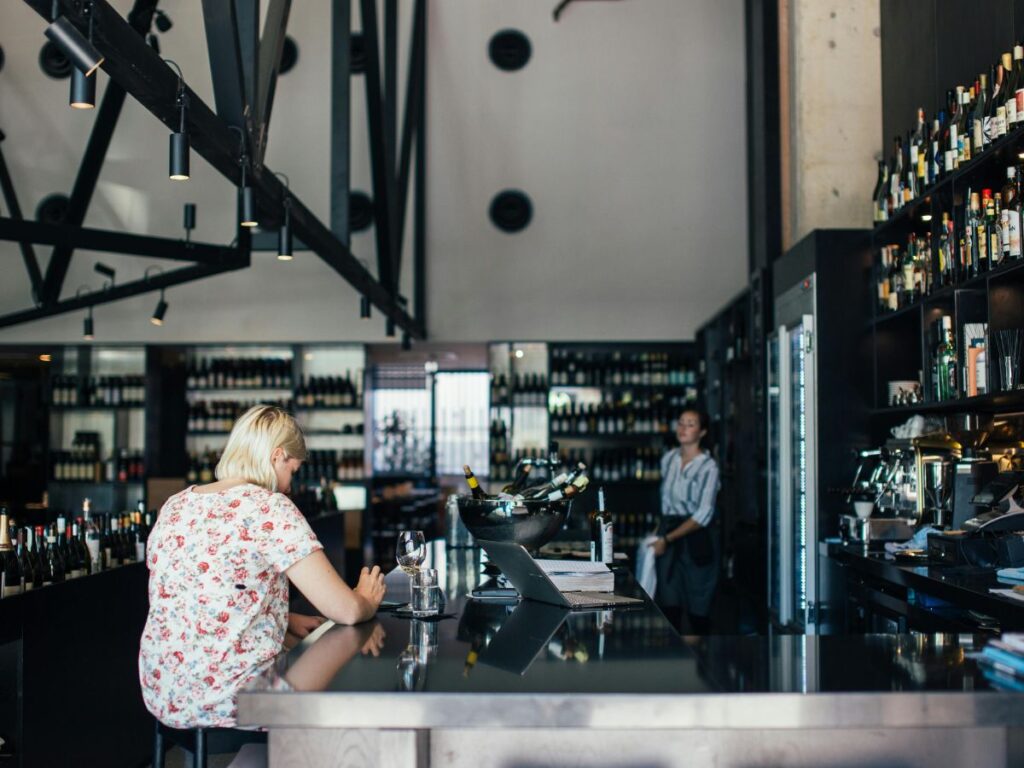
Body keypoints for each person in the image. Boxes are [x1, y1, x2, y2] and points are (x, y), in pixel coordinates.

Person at [139, 405, 386, 729]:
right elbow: (346, 611)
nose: (288, 486)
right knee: (345, 692)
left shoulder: (177, 503)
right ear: (278, 456)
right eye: (293, 471)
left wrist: (279, 620)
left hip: (163, 691)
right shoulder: (269, 507)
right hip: (236, 698)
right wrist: (365, 599)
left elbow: (198, 595)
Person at [649, 408, 720, 634]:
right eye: (680, 422)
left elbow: (703, 514)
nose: (683, 428)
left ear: (702, 431)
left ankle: (701, 663)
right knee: (669, 606)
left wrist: (667, 538)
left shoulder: (708, 466)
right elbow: (665, 504)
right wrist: (658, 535)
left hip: (697, 540)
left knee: (698, 609)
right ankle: (674, 663)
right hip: (668, 536)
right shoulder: (668, 459)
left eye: (690, 424)